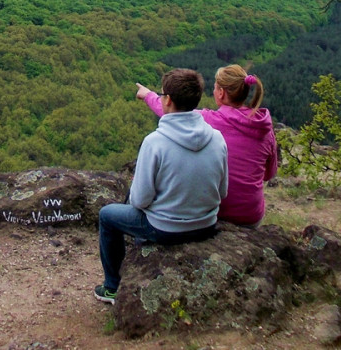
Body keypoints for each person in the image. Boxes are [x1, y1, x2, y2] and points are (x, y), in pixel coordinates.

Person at [95, 68, 227, 304]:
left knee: (107, 215)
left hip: (166, 229)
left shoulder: (155, 142)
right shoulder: (217, 137)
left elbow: (139, 201)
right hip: (207, 224)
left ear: (167, 100)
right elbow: (223, 191)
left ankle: (112, 287)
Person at [137, 63, 277, 227]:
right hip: (251, 216)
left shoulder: (209, 121)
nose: (213, 91)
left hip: (215, 211)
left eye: (215, 87)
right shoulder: (265, 130)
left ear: (221, 93)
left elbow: (174, 111)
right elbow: (269, 174)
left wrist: (148, 95)